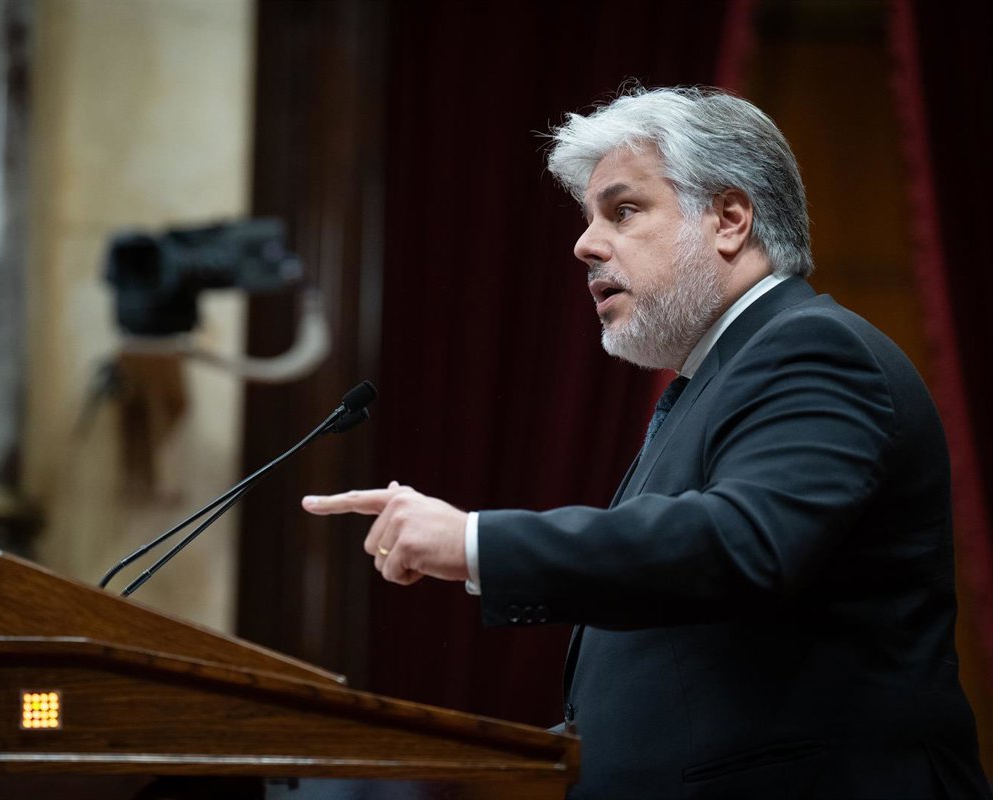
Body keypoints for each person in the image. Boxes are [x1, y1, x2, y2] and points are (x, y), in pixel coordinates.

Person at [301, 86, 990, 798]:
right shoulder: (711, 382)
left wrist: (475, 542)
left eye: (623, 210)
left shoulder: (814, 349)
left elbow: (740, 544)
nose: (585, 244)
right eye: (589, 218)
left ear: (729, 220)